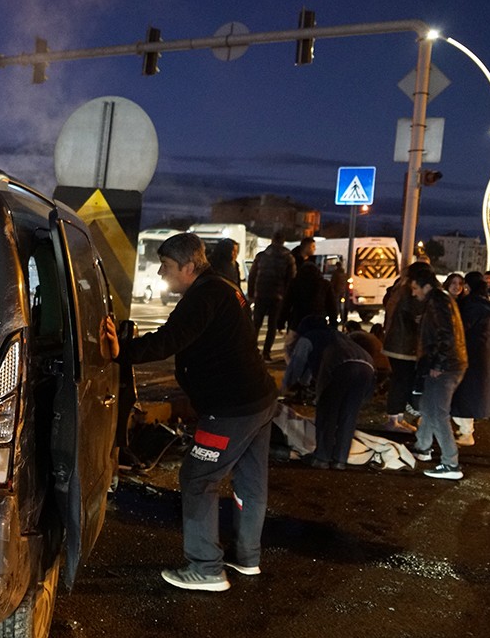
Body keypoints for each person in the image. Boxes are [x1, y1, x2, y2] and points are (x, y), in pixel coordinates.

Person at [101, 233, 276, 592]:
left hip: (229, 409)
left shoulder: (203, 296)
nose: (162, 273)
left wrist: (121, 351)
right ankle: (247, 557)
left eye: (166, 267)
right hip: (258, 400)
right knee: (251, 482)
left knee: (198, 479)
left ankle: (206, 568)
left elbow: (169, 340)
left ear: (189, 266)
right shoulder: (225, 288)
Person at [282, 316, 376, 471]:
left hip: (339, 365)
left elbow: (297, 365)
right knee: (348, 415)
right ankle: (340, 460)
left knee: (327, 413)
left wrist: (286, 387)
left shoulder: (307, 338)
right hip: (367, 366)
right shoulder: (337, 335)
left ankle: (322, 458)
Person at [409, 264, 467, 480]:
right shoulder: (440, 300)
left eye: (415, 288)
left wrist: (439, 364)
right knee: (428, 407)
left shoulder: (437, 301)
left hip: (446, 366)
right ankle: (422, 447)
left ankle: (451, 463)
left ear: (425, 286)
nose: (413, 293)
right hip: (449, 363)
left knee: (437, 413)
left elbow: (447, 334)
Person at [450, 271, 490, 446]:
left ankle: (466, 432)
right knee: (471, 393)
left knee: (464, 394)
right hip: (483, 354)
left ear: (468, 285)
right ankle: (465, 430)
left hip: (468, 353)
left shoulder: (472, 304)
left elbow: (461, 329)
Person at [380, 267, 423, 433]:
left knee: (400, 381)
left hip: (395, 343)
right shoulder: (408, 292)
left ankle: (397, 417)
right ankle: (394, 420)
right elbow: (414, 316)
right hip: (403, 346)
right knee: (401, 382)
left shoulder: (398, 288)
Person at [247, 232, 296, 361]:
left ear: (272, 240)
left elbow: (252, 276)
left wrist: (251, 293)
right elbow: (291, 280)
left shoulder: (261, 256)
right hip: (278, 296)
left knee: (256, 324)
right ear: (283, 241)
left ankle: (251, 350)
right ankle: (266, 353)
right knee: (272, 325)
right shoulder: (288, 258)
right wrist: (287, 298)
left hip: (261, 294)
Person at [280, 261, 337, 333]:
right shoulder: (325, 284)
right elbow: (331, 306)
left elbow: (287, 304)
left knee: (293, 343)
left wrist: (281, 322)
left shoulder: (295, 283)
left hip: (298, 322)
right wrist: (333, 324)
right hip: (318, 322)